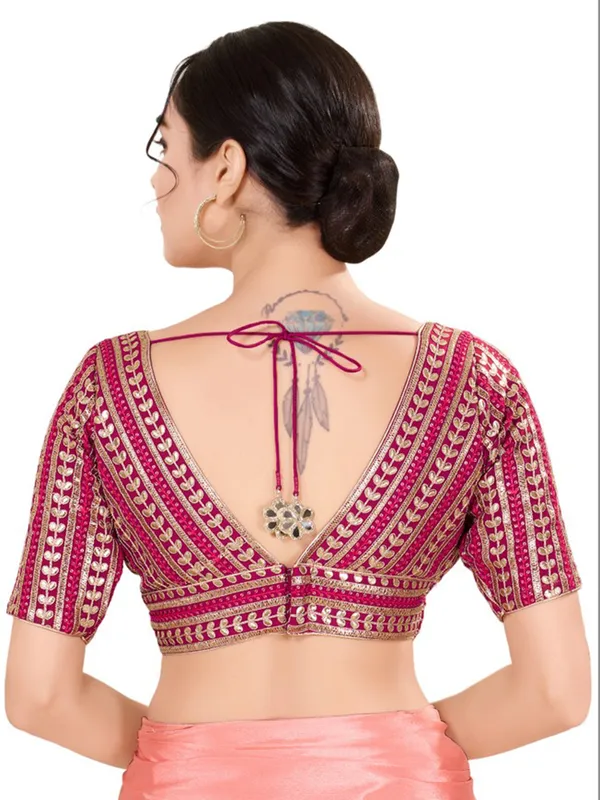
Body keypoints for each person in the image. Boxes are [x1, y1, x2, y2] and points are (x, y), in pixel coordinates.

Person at [4, 20, 590, 800]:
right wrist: (382, 753)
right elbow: (555, 692)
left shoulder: (107, 389)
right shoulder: (475, 383)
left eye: (165, 147)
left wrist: (197, 758)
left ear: (226, 169)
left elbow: (39, 696)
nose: (156, 180)